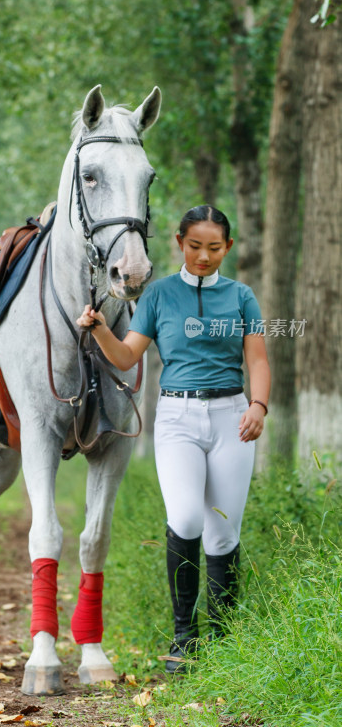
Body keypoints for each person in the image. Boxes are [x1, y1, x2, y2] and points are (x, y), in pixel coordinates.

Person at [77, 205, 270, 673]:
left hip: (232, 417)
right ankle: (185, 637)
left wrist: (258, 406)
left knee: (224, 532)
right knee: (185, 519)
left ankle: (223, 643)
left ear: (228, 247)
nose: (204, 256)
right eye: (195, 246)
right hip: (178, 417)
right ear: (179, 243)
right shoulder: (159, 295)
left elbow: (259, 362)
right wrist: (100, 329)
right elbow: (126, 357)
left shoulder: (242, 297)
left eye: (215, 247)